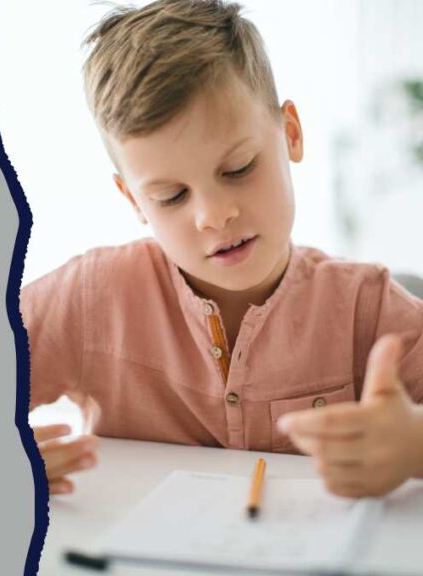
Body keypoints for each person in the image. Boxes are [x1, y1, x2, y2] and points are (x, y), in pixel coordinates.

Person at [22, 0, 423, 499]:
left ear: (290, 134)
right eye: (171, 196)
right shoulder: (91, 297)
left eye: (238, 169)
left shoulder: (366, 305)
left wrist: (412, 445)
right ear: (133, 200)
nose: (213, 215)